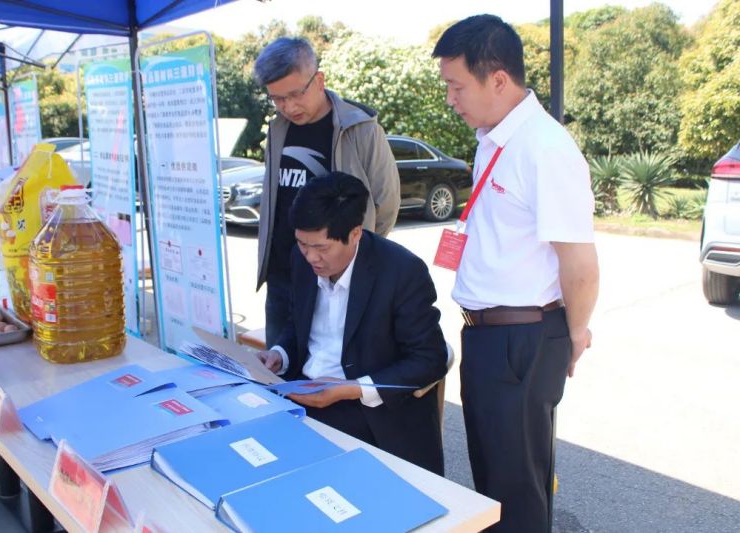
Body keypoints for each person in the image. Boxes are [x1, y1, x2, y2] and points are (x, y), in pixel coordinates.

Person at [432, 15, 600, 533]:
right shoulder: (494, 137)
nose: (450, 99)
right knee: (493, 482)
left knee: (517, 490)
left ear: (498, 79)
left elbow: (580, 262)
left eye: (457, 86)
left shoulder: (544, 147)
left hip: (523, 338)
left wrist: (575, 333)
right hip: (489, 336)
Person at [256, 172, 447, 475]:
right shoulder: (300, 259)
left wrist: (352, 388)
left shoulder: (401, 272)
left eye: (322, 248)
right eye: (303, 244)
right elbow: (298, 324)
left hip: (371, 412)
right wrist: (280, 354)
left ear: (355, 233)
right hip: (305, 394)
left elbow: (429, 359)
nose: (311, 257)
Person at [253, 37, 400, 347]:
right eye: (277, 98)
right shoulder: (278, 129)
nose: (288, 107)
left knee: (330, 367)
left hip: (335, 282)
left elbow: (385, 204)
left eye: (296, 94)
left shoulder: (360, 128)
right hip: (282, 277)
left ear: (318, 80)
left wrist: (349, 257)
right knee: (277, 366)